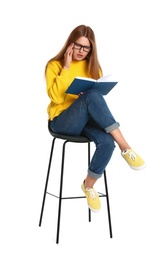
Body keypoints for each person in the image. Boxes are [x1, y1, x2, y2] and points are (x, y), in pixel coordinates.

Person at [45, 24, 146, 213]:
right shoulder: (55, 65)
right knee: (91, 96)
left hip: (86, 120)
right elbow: (57, 98)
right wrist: (66, 68)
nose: (82, 51)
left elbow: (97, 102)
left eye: (86, 47)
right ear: (70, 44)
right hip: (62, 121)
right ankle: (127, 147)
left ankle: (89, 186)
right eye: (78, 46)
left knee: (107, 142)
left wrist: (88, 97)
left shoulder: (93, 67)